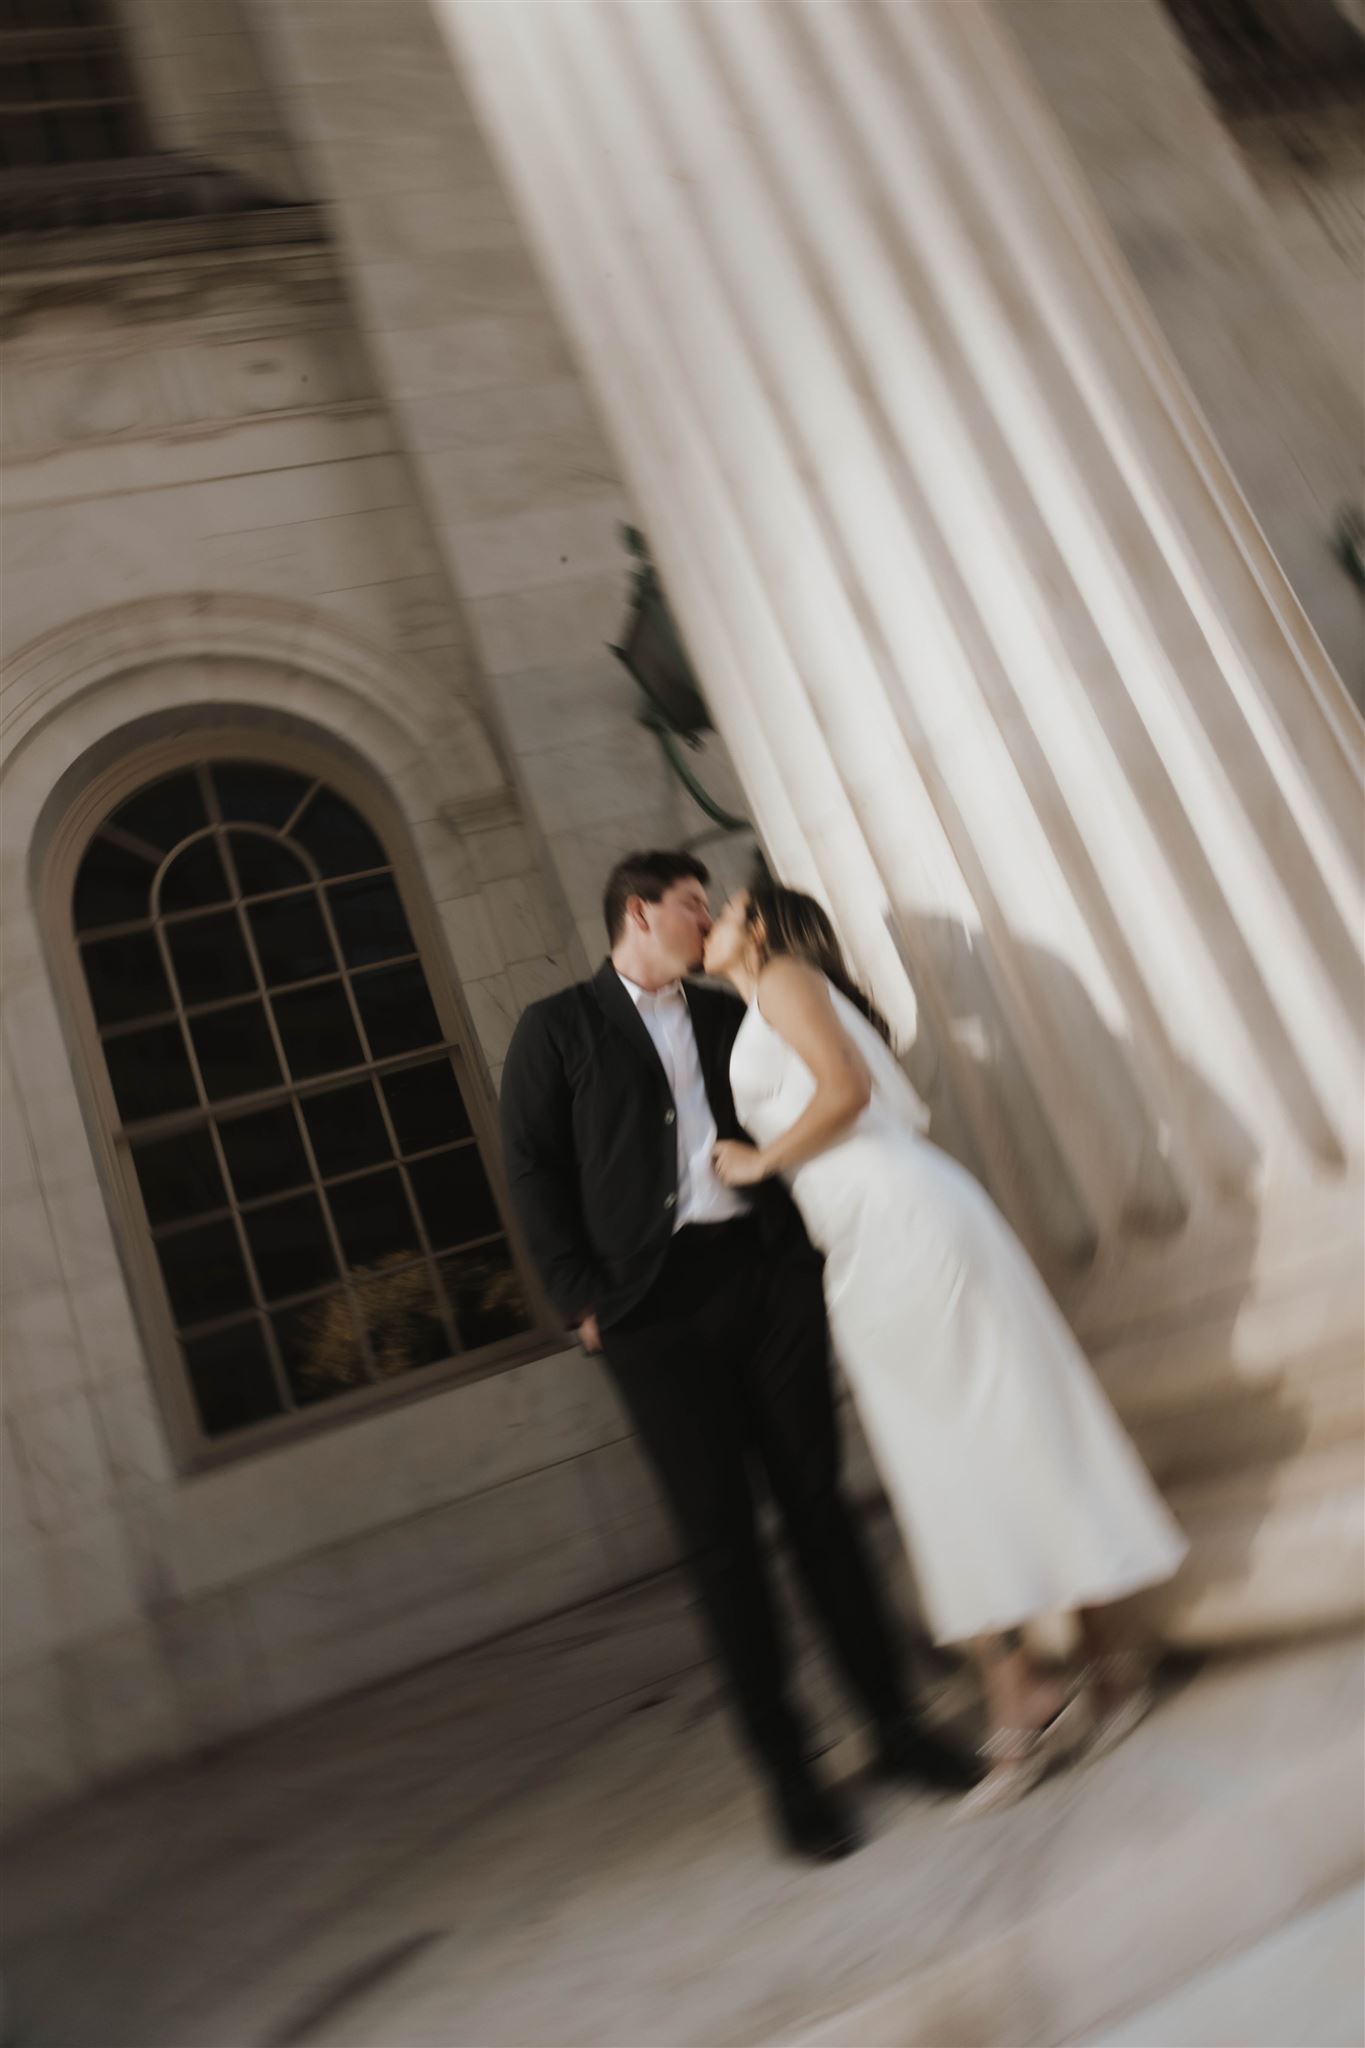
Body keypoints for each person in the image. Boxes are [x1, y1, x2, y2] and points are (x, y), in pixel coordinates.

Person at [499, 850, 975, 1860]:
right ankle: (792, 1777)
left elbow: (818, 1083)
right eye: (688, 904)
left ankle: (896, 1728)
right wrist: (579, 1296)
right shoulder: (557, 1027)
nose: (706, 918)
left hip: (764, 1284)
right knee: (722, 1545)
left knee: (822, 1511)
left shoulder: (730, 1015)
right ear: (638, 912)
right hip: (649, 1315)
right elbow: (533, 1164)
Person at [704, 879, 1190, 1819]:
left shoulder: (785, 979)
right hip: (867, 1240)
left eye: (722, 911)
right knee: (972, 1449)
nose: (711, 925)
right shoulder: (767, 995)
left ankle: (1031, 1697)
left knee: (969, 1450)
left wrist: (760, 1160)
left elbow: (844, 1089)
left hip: (902, 1225)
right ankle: (1094, 1670)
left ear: (757, 927)